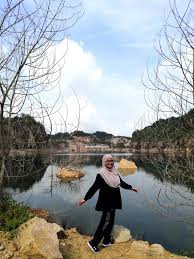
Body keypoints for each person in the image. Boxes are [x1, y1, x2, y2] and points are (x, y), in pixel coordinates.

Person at [79, 154, 138, 254]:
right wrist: (86, 198)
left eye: (111, 160)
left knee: (111, 221)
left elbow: (121, 183)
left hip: (114, 201)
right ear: (104, 162)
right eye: (107, 161)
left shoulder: (115, 172)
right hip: (106, 202)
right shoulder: (101, 174)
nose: (110, 163)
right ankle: (93, 242)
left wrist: (131, 187)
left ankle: (106, 240)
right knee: (105, 222)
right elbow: (94, 187)